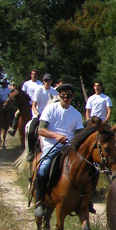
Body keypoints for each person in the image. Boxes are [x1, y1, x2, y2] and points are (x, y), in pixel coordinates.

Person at [33, 84, 84, 217]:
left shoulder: (76, 114)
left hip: (69, 147)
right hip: (52, 144)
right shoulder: (50, 109)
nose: (65, 98)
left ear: (72, 97)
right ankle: (39, 201)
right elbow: (41, 130)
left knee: (88, 168)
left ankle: (85, 201)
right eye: (62, 95)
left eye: (68, 96)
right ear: (59, 96)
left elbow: (79, 135)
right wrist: (56, 135)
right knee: (43, 167)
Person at [24, 74, 58, 161]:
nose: (47, 82)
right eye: (45, 80)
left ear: (51, 81)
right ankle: (30, 152)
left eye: (49, 80)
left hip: (50, 116)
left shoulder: (54, 92)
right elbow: (34, 105)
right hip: (39, 115)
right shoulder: (39, 90)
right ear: (43, 81)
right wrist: (38, 114)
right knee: (31, 131)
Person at [9, 69, 42, 136]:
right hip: (27, 103)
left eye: (35, 74)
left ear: (37, 75)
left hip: (36, 104)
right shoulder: (26, 84)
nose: (34, 75)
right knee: (17, 113)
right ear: (31, 75)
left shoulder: (40, 84)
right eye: (32, 74)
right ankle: (13, 128)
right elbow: (23, 93)